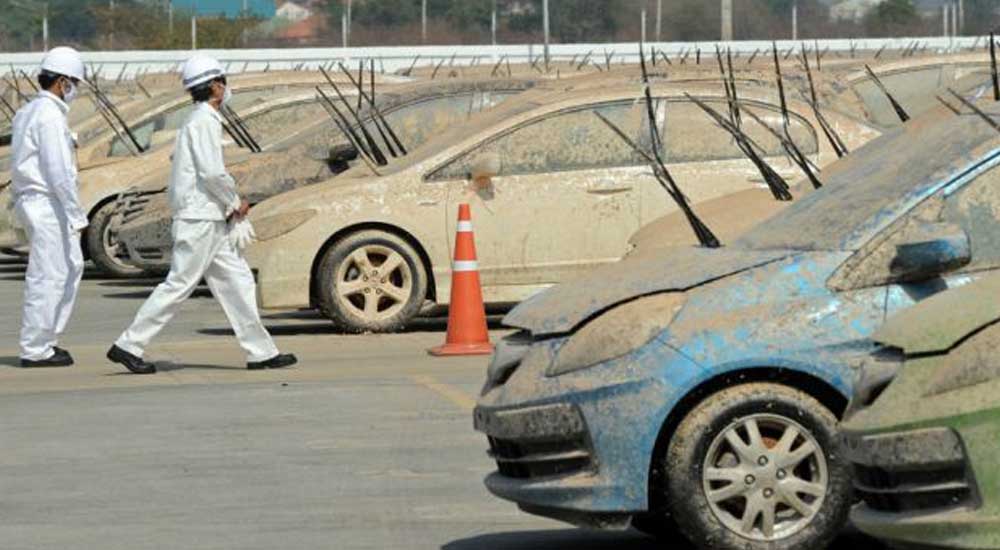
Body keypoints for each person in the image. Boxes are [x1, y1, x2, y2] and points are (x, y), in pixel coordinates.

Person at [107, 55, 296, 375]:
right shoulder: (205, 121)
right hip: (200, 220)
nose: (227, 87)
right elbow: (211, 173)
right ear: (215, 86)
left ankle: (261, 352)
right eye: (224, 81)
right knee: (179, 284)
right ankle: (129, 344)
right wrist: (235, 201)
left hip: (208, 219)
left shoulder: (195, 120)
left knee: (238, 282)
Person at [11, 47, 87, 368]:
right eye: (74, 83)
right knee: (48, 275)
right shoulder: (49, 116)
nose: (75, 90)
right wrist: (75, 213)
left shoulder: (29, 112)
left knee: (70, 266)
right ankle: (36, 347)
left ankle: (46, 338)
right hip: (46, 203)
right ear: (61, 83)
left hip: (37, 201)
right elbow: (57, 170)